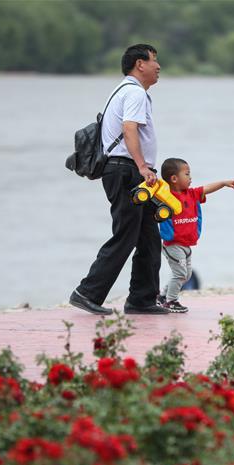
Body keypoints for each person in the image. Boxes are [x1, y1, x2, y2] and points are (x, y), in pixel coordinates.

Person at [69, 44, 170, 316]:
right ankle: (87, 292)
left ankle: (141, 299)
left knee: (149, 236)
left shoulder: (125, 91)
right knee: (126, 234)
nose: (158, 66)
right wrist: (142, 167)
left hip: (131, 171)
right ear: (140, 64)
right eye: (154, 60)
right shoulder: (135, 92)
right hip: (127, 171)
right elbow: (129, 130)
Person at [157, 157, 234, 313]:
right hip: (173, 244)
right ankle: (171, 301)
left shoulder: (192, 194)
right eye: (187, 174)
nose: (190, 178)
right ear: (174, 179)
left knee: (186, 276)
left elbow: (207, 188)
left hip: (186, 244)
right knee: (180, 273)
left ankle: (162, 296)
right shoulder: (166, 199)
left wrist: (222, 183)